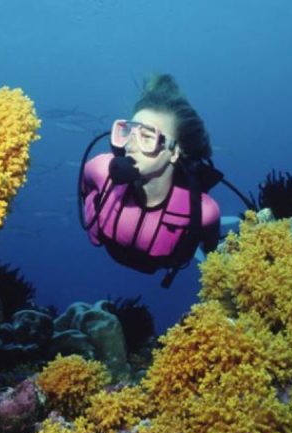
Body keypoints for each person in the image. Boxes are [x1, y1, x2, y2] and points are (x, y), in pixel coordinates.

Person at [78, 74, 230, 287]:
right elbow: (86, 186)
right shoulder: (100, 170)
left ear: (175, 151)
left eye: (147, 137)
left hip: (158, 264)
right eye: (129, 132)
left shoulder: (203, 211)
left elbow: (211, 249)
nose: (131, 145)